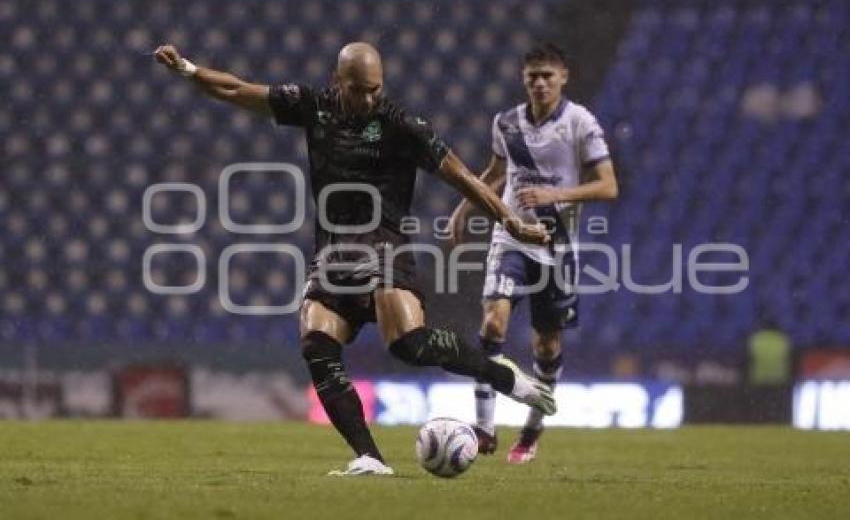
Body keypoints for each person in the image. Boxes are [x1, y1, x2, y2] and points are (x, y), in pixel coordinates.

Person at [153, 41, 556, 475]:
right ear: (337, 82)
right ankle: (370, 457)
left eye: (375, 90)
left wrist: (510, 220)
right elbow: (236, 89)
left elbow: (460, 175)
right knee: (316, 344)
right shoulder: (313, 107)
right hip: (332, 253)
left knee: (408, 344)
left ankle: (503, 377)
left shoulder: (401, 125)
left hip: (384, 245)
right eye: (359, 90)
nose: (368, 99)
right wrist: (189, 70)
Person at [448, 43, 618, 464]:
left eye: (547, 75)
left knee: (545, 346)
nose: (540, 83)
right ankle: (484, 428)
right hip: (511, 240)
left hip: (557, 247)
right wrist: (463, 208)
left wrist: (556, 193)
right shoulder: (505, 123)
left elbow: (608, 186)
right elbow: (494, 173)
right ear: (524, 81)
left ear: (564, 77)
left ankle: (531, 430)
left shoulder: (581, 122)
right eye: (532, 77)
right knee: (493, 320)